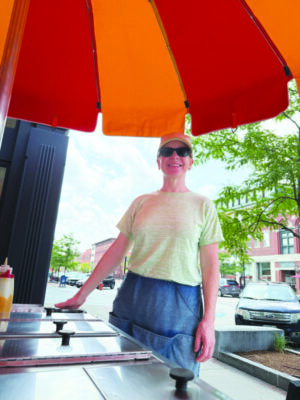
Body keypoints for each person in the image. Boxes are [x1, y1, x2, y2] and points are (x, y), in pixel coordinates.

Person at [55, 132, 223, 376]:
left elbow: (210, 266)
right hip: (132, 293)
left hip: (179, 302)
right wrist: (83, 294)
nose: (174, 156)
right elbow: (116, 251)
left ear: (190, 160)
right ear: (158, 161)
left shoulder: (203, 205)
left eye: (182, 151)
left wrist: (209, 321)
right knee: (123, 377)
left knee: (172, 382)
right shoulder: (141, 202)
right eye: (167, 151)